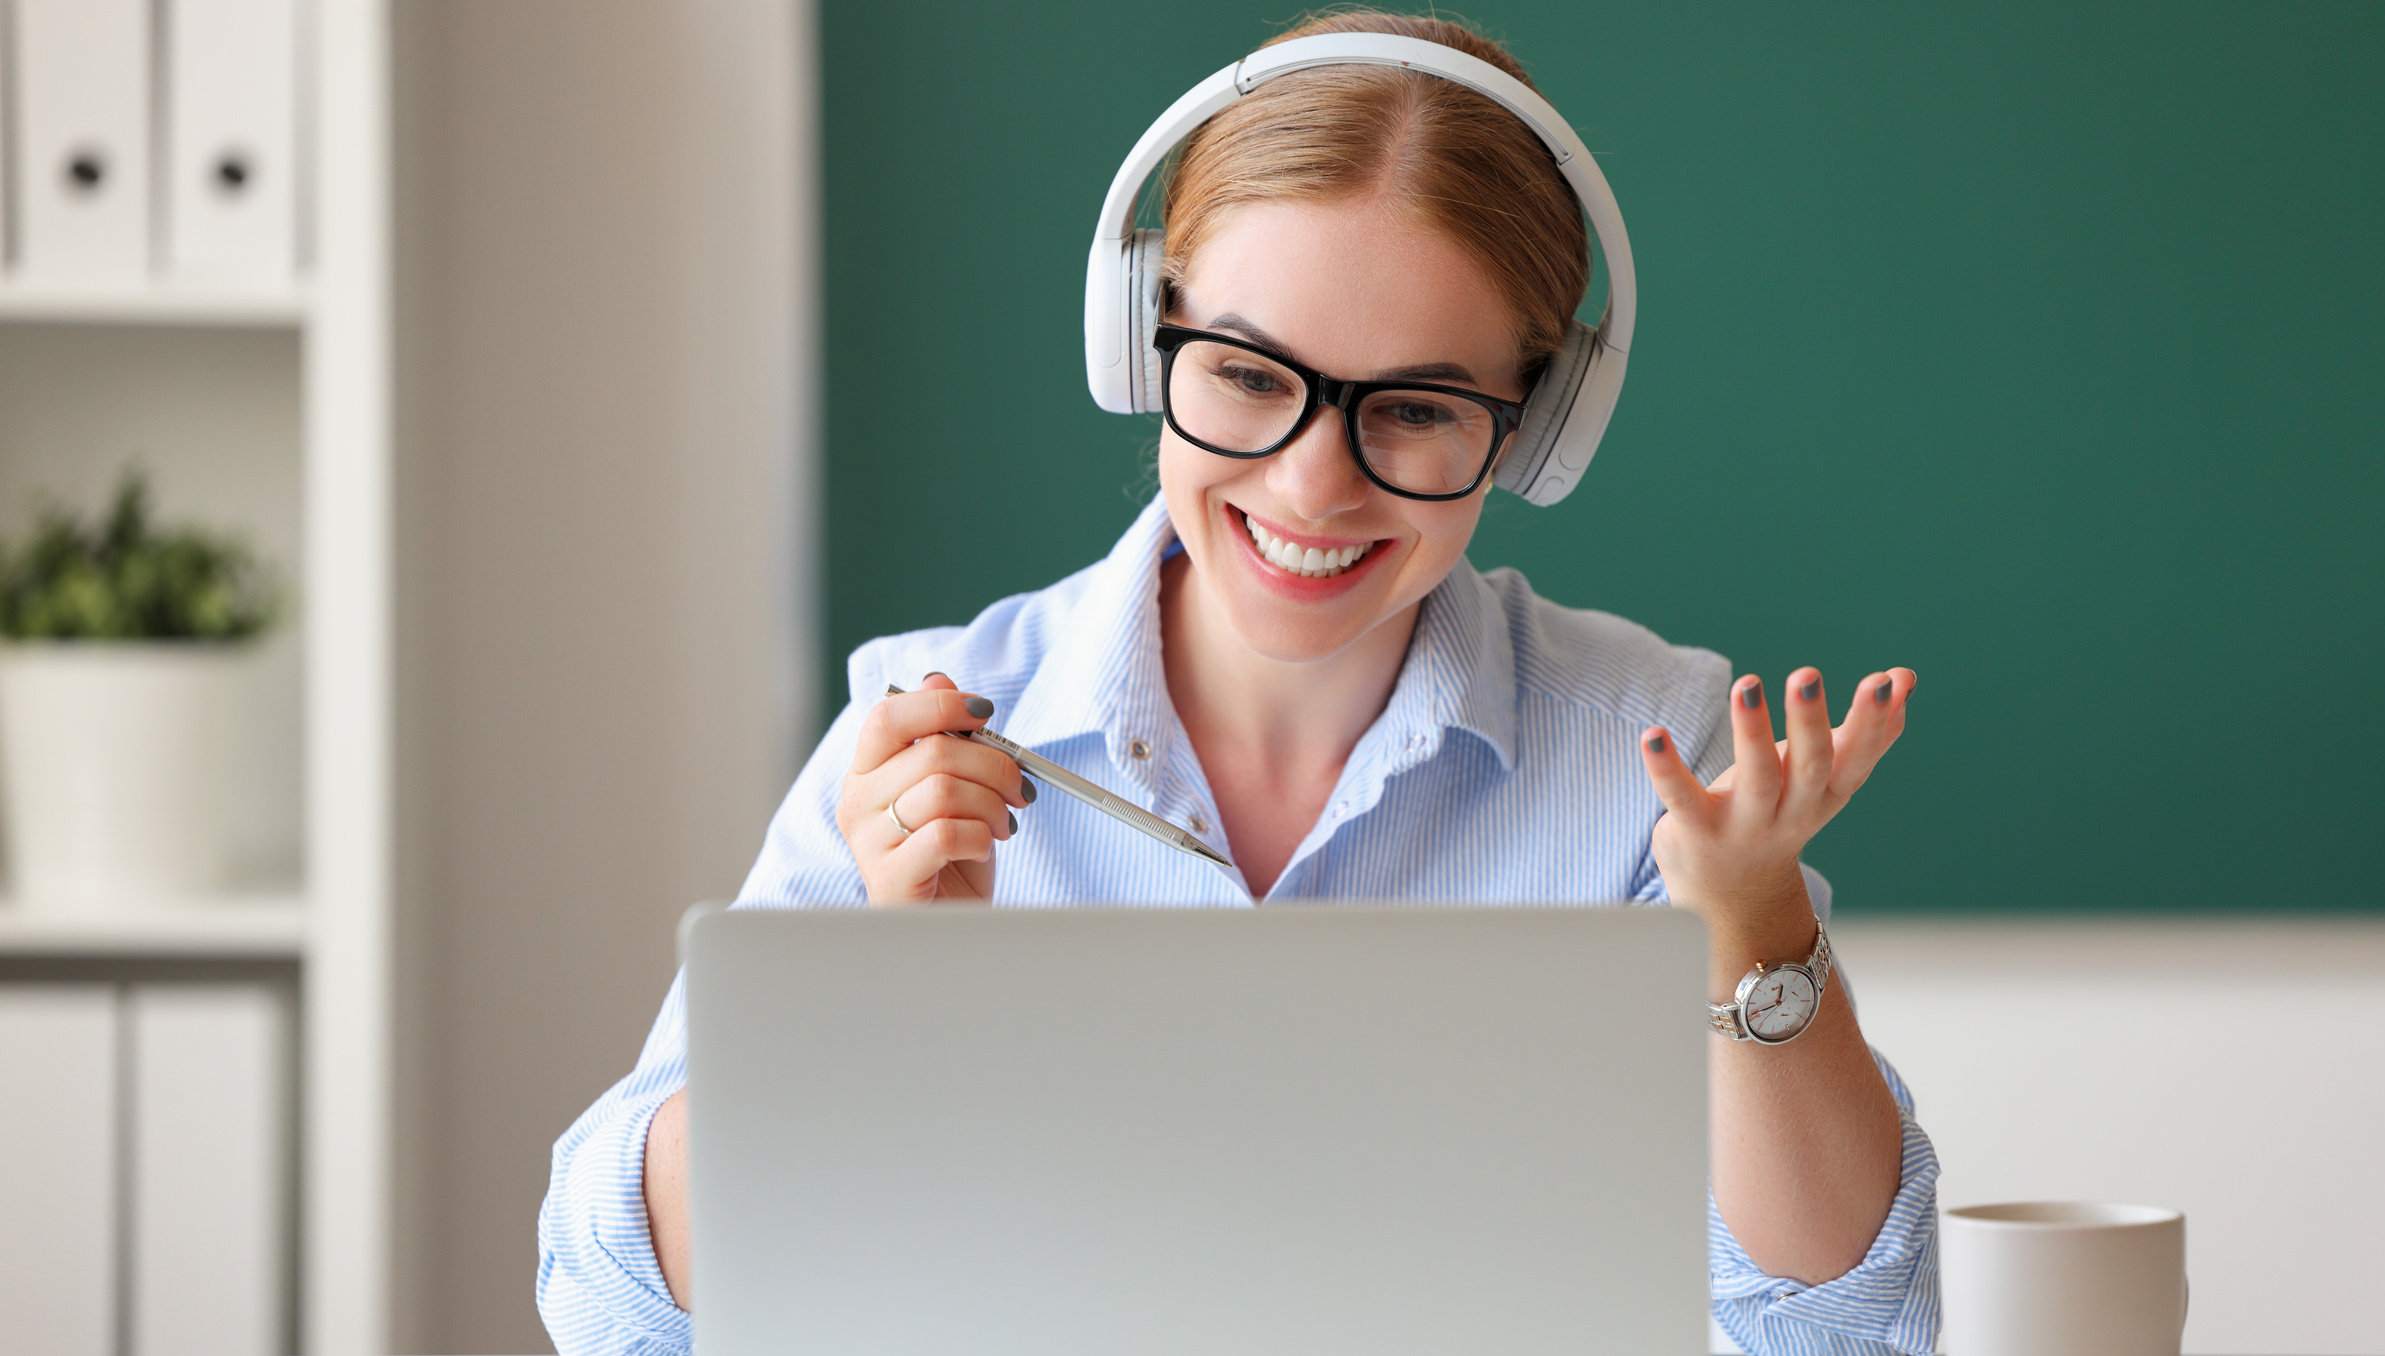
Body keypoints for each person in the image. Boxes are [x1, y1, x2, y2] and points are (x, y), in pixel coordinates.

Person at [539, 12, 1937, 1355]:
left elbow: (1846, 1330)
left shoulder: (1651, 756)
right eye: (1251, 375)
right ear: (1140, 336)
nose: (1312, 484)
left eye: (1418, 408)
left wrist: (1754, 934)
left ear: (1534, 427)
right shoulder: (927, 730)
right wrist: (862, 1002)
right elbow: (615, 1314)